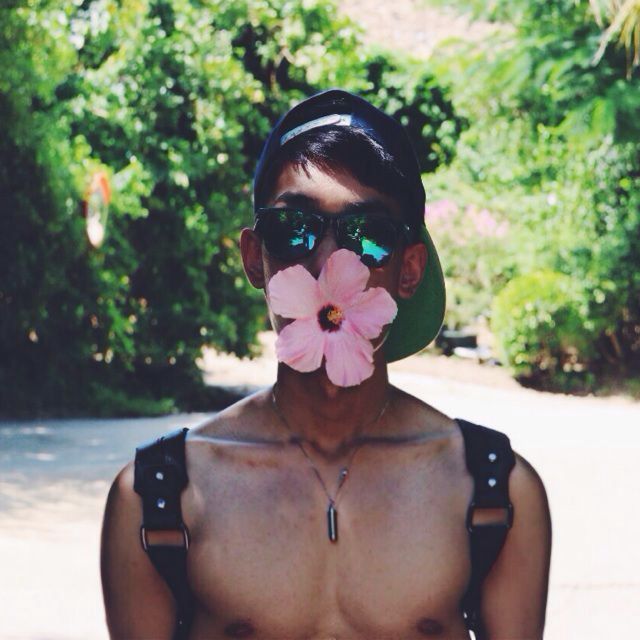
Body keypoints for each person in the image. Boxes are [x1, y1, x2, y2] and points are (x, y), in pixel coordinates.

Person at [101, 89, 551, 639]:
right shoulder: (159, 498)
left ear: (409, 270)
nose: (329, 260)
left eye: (369, 235)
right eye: (293, 229)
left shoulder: (496, 492)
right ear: (255, 259)